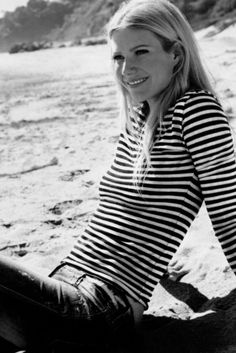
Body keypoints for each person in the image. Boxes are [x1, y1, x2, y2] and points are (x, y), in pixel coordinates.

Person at [1, 0, 236, 352]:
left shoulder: (196, 110)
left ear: (176, 54)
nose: (127, 68)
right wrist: (157, 264)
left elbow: (227, 209)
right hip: (63, 287)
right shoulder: (139, 118)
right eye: (118, 57)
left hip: (96, 307)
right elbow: (133, 215)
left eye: (141, 51)